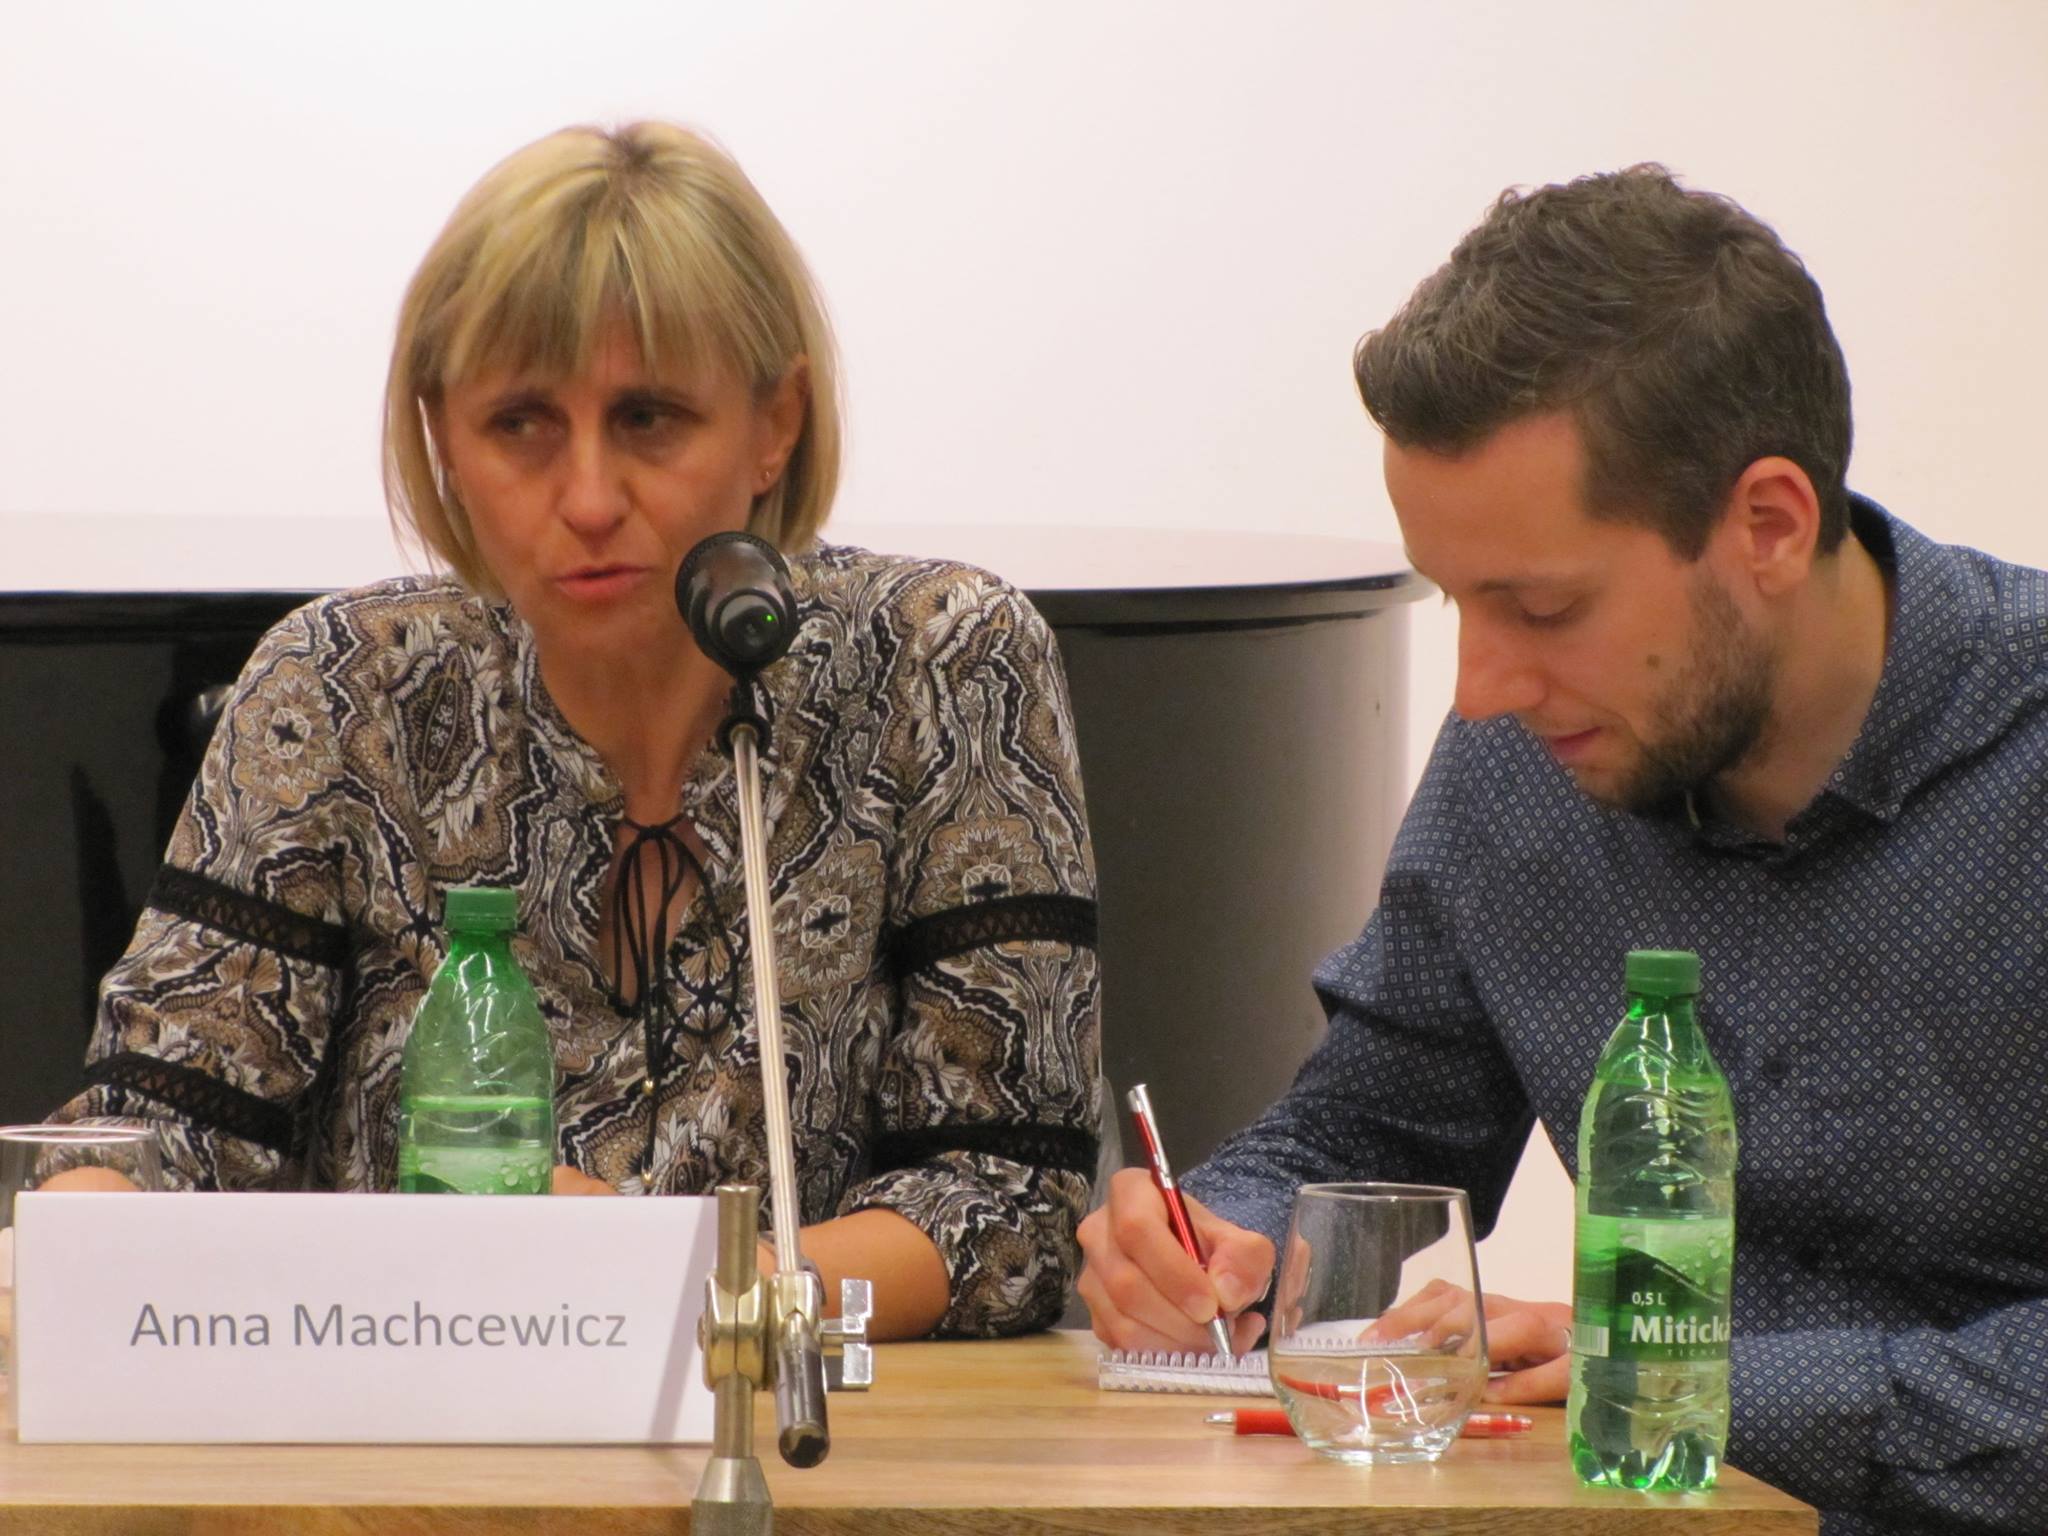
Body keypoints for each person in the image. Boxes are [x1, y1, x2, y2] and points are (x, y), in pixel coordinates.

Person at [1077, 167, 2045, 1533]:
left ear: (1768, 526)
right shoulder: (1529, 759)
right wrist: (1218, 1241)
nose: (1479, 689)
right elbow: (1370, 1125)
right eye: (1457, 603)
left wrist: (1696, 1388)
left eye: (1540, 608)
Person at [49, 121, 1103, 1343]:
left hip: (793, 1419)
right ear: (443, 439)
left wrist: (689, 1293)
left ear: (774, 423)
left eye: (648, 418)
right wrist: (88, 1223)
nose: (590, 498)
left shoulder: (944, 661)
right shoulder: (340, 687)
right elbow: (151, 1137)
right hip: (404, 1414)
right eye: (521, 424)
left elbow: (1009, 1204)